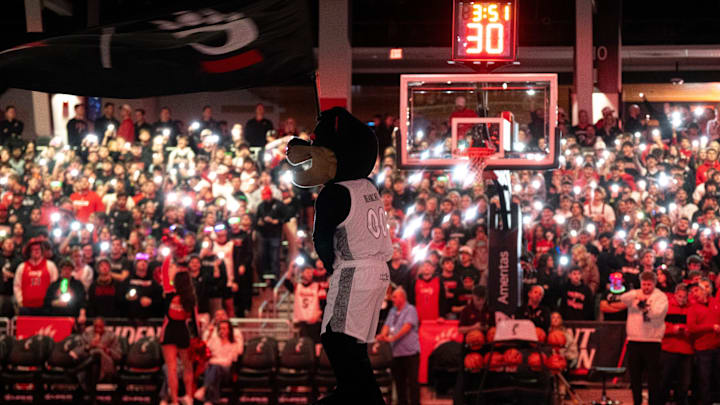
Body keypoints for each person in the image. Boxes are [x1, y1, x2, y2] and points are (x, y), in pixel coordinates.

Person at [617, 270, 669, 405]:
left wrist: (642, 306)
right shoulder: (636, 294)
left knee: (653, 378)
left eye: (649, 285)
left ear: (654, 284)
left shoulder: (660, 297)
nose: (646, 287)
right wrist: (636, 294)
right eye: (644, 284)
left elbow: (657, 313)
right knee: (635, 378)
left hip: (652, 341)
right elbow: (622, 298)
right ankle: (637, 402)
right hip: (634, 340)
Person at [160, 259, 200, 405]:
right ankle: (189, 397)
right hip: (183, 331)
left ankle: (175, 401)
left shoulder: (169, 292)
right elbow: (195, 320)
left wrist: (167, 258)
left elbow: (164, 274)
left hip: (169, 329)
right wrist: (198, 337)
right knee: (187, 366)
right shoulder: (191, 298)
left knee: (172, 368)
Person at [376, 287, 420, 405]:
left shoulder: (410, 309)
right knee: (399, 382)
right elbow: (386, 325)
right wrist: (382, 335)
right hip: (396, 353)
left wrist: (392, 338)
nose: (392, 299)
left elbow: (407, 327)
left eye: (395, 297)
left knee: (412, 383)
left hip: (410, 353)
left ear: (402, 297)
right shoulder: (392, 311)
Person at [68, 318, 122, 405]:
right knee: (94, 360)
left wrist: (106, 350)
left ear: (104, 326)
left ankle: (74, 371)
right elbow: (78, 351)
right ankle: (93, 398)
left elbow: (118, 356)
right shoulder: (87, 335)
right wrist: (89, 346)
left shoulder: (112, 336)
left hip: (106, 365)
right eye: (96, 327)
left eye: (100, 327)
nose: (97, 329)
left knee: (97, 353)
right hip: (89, 366)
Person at [687, 282, 720, 405]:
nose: (695, 294)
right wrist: (711, 327)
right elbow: (691, 328)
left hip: (717, 346)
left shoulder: (716, 303)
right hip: (703, 349)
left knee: (717, 378)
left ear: (704, 291)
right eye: (693, 292)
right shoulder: (693, 309)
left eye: (697, 290)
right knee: (704, 379)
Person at [660, 284, 693, 405]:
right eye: (680, 296)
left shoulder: (692, 308)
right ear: (675, 295)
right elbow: (659, 327)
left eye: (684, 297)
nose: (682, 299)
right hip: (669, 349)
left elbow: (694, 325)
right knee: (664, 382)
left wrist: (688, 330)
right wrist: (672, 330)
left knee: (684, 384)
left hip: (686, 350)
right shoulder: (666, 307)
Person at [196, 320, 242, 405]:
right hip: (214, 369)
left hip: (227, 371)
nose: (222, 331)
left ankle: (204, 389)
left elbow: (228, 362)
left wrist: (214, 361)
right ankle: (210, 401)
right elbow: (205, 349)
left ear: (229, 330)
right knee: (214, 371)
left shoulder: (234, 344)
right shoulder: (215, 341)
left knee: (214, 367)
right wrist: (209, 334)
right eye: (220, 328)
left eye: (224, 328)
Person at [14, 236, 58, 315]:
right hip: (26, 307)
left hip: (45, 307)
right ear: (29, 252)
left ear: (42, 251)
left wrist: (52, 300)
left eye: (38, 249)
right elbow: (17, 286)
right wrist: (20, 301)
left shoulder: (50, 265)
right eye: (33, 249)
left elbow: (55, 285)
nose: (36, 251)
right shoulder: (22, 267)